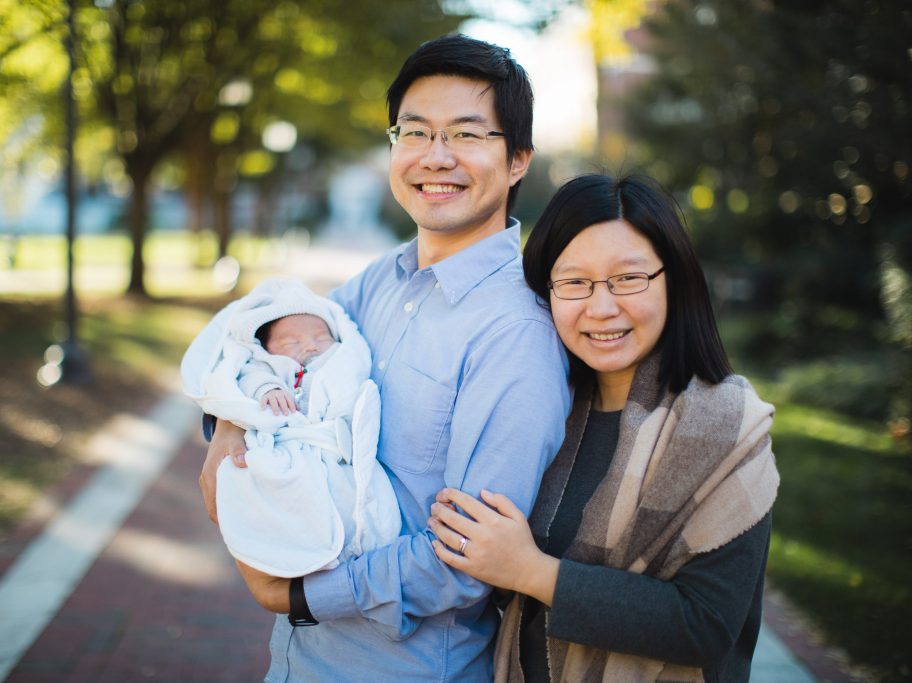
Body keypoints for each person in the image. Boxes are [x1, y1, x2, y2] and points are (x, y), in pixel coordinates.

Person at [196, 33, 571, 681]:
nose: (436, 156)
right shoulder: (378, 280)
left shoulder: (517, 332)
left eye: (467, 134)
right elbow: (278, 356)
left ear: (517, 161)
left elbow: (465, 558)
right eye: (416, 132)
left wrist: (302, 598)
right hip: (296, 660)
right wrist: (227, 428)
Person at [429, 174, 780, 682]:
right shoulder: (547, 410)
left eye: (628, 278)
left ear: (673, 280)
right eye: (575, 282)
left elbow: (704, 624)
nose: (601, 307)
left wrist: (530, 571)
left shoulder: (722, 423)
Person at [181, 278, 401, 578]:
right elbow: (248, 375)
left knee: (355, 501)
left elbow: (353, 376)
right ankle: (287, 543)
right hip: (287, 442)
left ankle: (347, 546)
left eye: (321, 337)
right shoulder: (270, 366)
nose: (310, 346)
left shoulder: (338, 359)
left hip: (332, 446)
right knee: (276, 483)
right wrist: (267, 388)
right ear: (267, 348)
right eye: (291, 343)